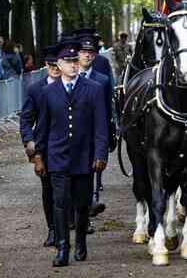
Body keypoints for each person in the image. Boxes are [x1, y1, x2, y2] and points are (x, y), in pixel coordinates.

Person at [33, 39, 108, 267]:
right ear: (59, 64)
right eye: (69, 61)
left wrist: (100, 155)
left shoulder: (93, 89)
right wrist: (38, 157)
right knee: (59, 203)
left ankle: (81, 242)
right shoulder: (47, 92)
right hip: (57, 157)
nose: (74, 64)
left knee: (82, 204)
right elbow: (42, 128)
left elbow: (101, 126)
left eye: (76, 60)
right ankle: (63, 247)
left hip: (84, 157)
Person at [20, 45, 61, 247]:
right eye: (51, 65)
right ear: (46, 65)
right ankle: (53, 229)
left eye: (57, 65)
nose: (55, 68)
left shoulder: (72, 85)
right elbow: (26, 119)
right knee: (49, 191)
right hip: (45, 147)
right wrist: (30, 143)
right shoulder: (35, 90)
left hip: (68, 147)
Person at [75, 31, 115, 231]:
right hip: (71, 135)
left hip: (93, 133)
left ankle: (89, 205)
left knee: (89, 174)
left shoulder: (102, 78)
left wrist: (111, 129)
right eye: (83, 51)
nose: (88, 55)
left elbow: (108, 105)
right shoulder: (67, 74)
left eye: (92, 51)